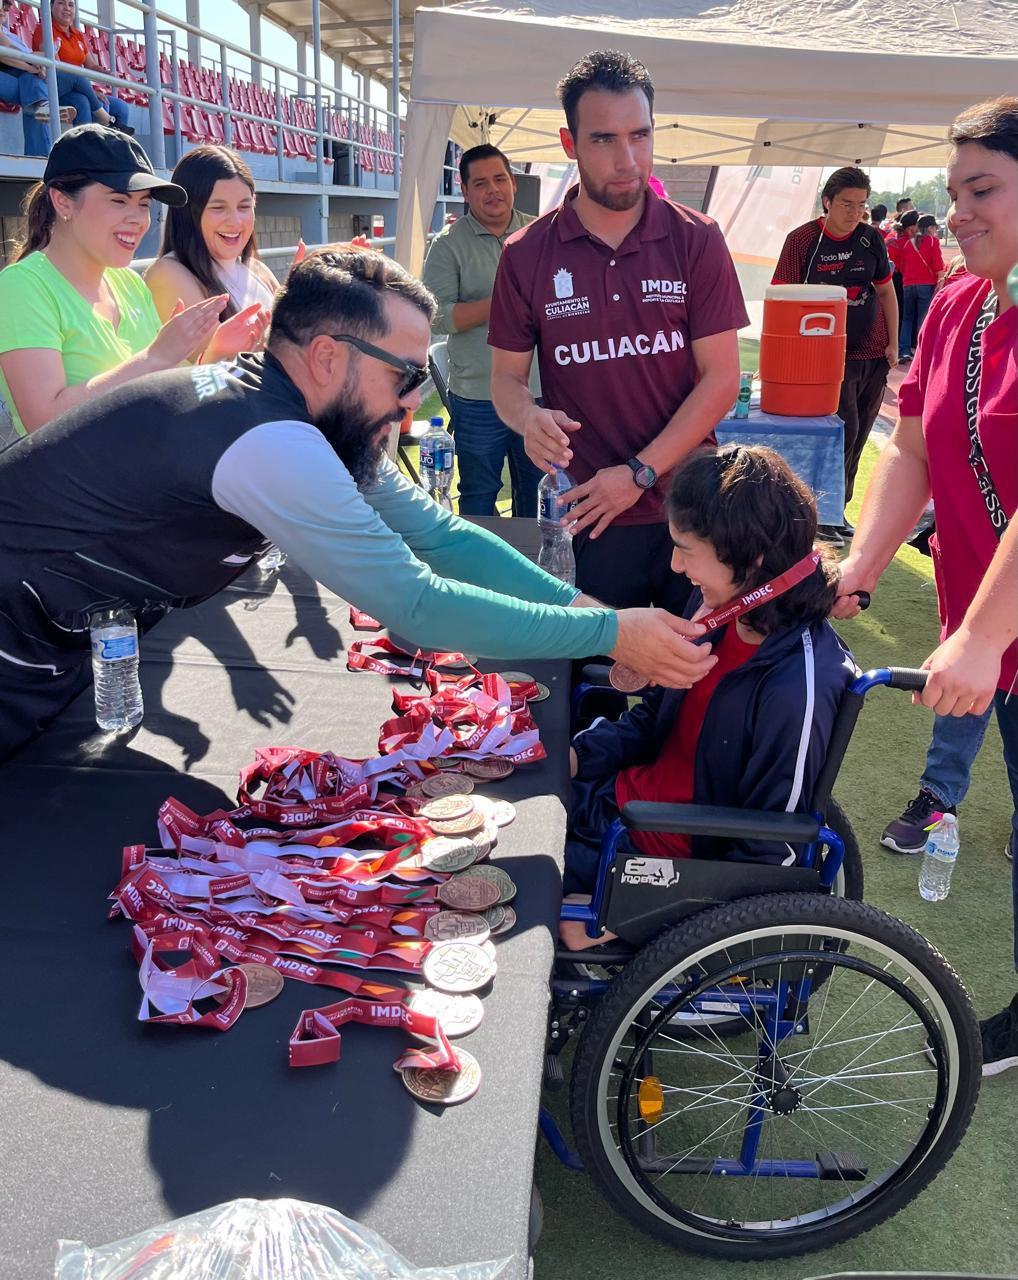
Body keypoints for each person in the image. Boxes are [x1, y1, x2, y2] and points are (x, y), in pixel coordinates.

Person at [0, 247, 718, 763]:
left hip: (51, 639)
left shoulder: (303, 409)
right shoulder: (271, 441)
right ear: (326, 358)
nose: (414, 405)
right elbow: (419, 605)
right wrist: (609, 635)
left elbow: (441, 538)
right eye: (406, 377)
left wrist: (594, 614)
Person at [835, 96, 1018, 1077]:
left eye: (981, 189)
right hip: (990, 633)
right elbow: (908, 452)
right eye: (952, 193)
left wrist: (983, 636)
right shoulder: (955, 302)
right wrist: (859, 568)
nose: (956, 212)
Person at [490, 49, 747, 612]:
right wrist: (528, 416)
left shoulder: (696, 239)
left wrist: (639, 471)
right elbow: (505, 381)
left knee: (690, 678)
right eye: (604, 139)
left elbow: (722, 379)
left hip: (691, 511)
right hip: (590, 512)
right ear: (569, 143)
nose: (628, 159)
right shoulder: (527, 254)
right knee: (595, 687)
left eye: (640, 135)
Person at [560, 445, 854, 928]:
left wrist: (631, 917)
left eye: (687, 551)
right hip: (616, 806)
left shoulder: (798, 683)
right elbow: (655, 718)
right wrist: (578, 755)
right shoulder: (719, 608)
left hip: (661, 864)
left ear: (751, 558)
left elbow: (774, 846)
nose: (676, 567)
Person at [0, 125, 267, 441]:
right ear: (63, 202)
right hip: (80, 488)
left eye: (143, 204)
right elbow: (43, 421)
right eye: (119, 200)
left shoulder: (129, 283)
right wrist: (153, 358)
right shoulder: (22, 286)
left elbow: (167, 395)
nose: (138, 219)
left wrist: (215, 356)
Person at [772, 166, 898, 544]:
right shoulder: (803, 241)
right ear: (827, 202)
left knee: (858, 440)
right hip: (823, 357)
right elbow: (781, 298)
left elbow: (887, 293)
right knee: (843, 430)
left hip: (872, 352)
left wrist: (893, 342)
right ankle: (821, 514)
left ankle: (837, 511)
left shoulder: (871, 239)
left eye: (861, 205)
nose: (854, 213)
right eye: (846, 204)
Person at [422, 143, 542, 517]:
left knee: (538, 494)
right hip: (477, 395)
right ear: (465, 190)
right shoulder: (447, 246)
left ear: (513, 184)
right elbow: (438, 317)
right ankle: (478, 575)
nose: (493, 190)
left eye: (500, 179)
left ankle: (530, 573)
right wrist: (504, 301)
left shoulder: (542, 233)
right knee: (478, 495)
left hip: (539, 392)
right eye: (481, 183)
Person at [145, 145, 279, 324]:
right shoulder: (168, 273)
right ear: (187, 213)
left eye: (244, 207)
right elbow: (207, 351)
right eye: (218, 208)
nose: (235, 221)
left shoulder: (258, 270)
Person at [32, 0, 131, 132]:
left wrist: (107, 74)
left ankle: (115, 150)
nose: (67, 8)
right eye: (61, 3)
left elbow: (91, 65)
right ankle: (86, 148)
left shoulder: (77, 34)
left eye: (71, 5)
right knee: (85, 101)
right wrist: (91, 93)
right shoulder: (44, 28)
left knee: (121, 107)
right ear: (51, 7)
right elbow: (60, 69)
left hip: (80, 87)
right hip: (56, 86)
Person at [0, 0, 76, 156]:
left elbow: (15, 53)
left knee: (33, 92)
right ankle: (40, 158)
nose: (4, 9)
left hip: (14, 73)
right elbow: (5, 55)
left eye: (6, 6)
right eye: (2, 5)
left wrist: (35, 66)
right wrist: (31, 67)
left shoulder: (5, 31)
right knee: (34, 92)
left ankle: (40, 156)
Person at [898, 213, 946, 358]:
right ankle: (920, 350)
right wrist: (940, 280)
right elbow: (938, 264)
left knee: (907, 318)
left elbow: (901, 266)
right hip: (926, 284)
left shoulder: (908, 243)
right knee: (922, 318)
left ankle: (904, 350)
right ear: (930, 228)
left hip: (908, 284)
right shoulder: (932, 242)